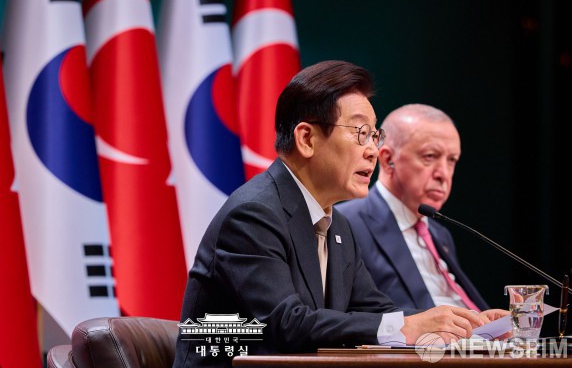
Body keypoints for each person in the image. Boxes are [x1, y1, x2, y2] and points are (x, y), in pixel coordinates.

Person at [173, 62, 507, 367]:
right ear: (307, 139)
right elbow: (285, 324)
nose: (373, 150)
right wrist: (408, 326)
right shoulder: (253, 214)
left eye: (374, 135)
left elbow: (377, 311)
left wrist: (460, 325)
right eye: (361, 133)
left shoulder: (339, 227)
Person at [338, 104, 488, 310]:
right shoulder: (345, 223)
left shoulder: (440, 233)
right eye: (430, 156)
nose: (443, 174)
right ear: (388, 160)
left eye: (451, 160)